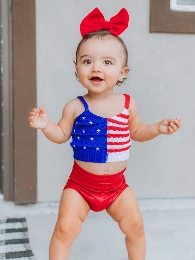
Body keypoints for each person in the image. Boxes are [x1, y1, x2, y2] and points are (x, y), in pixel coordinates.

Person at [28, 7, 181, 260]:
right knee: (65, 229)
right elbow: (61, 134)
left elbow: (138, 131)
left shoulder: (128, 104)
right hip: (80, 186)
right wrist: (46, 126)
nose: (96, 67)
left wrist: (158, 128)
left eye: (107, 62)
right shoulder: (75, 106)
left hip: (116, 187)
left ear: (123, 72)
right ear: (77, 69)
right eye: (87, 61)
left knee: (136, 227)